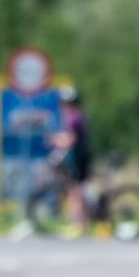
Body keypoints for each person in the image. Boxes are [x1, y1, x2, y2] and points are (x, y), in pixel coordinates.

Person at [49, 86, 92, 236]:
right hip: (82, 155)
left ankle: (78, 224)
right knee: (77, 190)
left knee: (75, 191)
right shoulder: (77, 116)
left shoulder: (73, 118)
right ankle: (83, 224)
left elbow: (71, 140)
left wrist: (56, 141)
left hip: (78, 157)